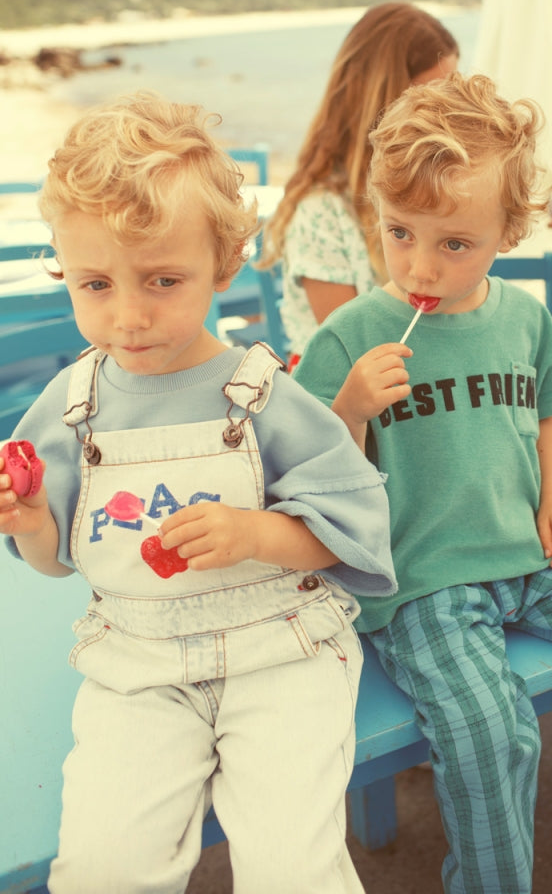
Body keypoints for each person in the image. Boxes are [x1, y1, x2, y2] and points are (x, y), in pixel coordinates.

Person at [294, 73, 552, 894]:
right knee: (493, 732)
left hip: (531, 552)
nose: (422, 264)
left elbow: (547, 414)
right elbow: (311, 480)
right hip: (421, 581)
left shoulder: (524, 318)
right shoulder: (348, 338)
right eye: (400, 232)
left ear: (507, 232)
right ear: (376, 215)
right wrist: (350, 409)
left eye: (455, 243)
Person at [0, 92, 396, 894]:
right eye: (95, 285)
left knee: (292, 869)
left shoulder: (261, 393)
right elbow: (53, 563)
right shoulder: (68, 410)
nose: (129, 316)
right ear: (63, 269)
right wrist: (35, 518)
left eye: (162, 280)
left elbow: (353, 529)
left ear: (224, 264)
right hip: (136, 664)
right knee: (102, 870)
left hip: (280, 649)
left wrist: (256, 534)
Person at [259, 1, 459, 366]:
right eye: (430, 99)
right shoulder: (320, 213)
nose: (447, 113)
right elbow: (353, 352)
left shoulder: (434, 193)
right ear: (383, 103)